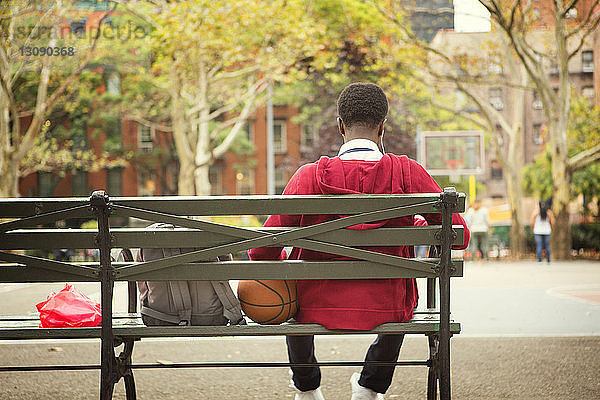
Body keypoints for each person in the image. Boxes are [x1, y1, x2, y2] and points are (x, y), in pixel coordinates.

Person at [249, 83, 470, 400]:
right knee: (405, 301)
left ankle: (307, 387)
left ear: (340, 125)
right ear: (383, 127)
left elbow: (261, 250)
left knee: (291, 284)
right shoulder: (407, 173)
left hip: (313, 304)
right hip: (388, 306)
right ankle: (370, 387)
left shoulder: (308, 176)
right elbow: (458, 237)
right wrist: (418, 224)